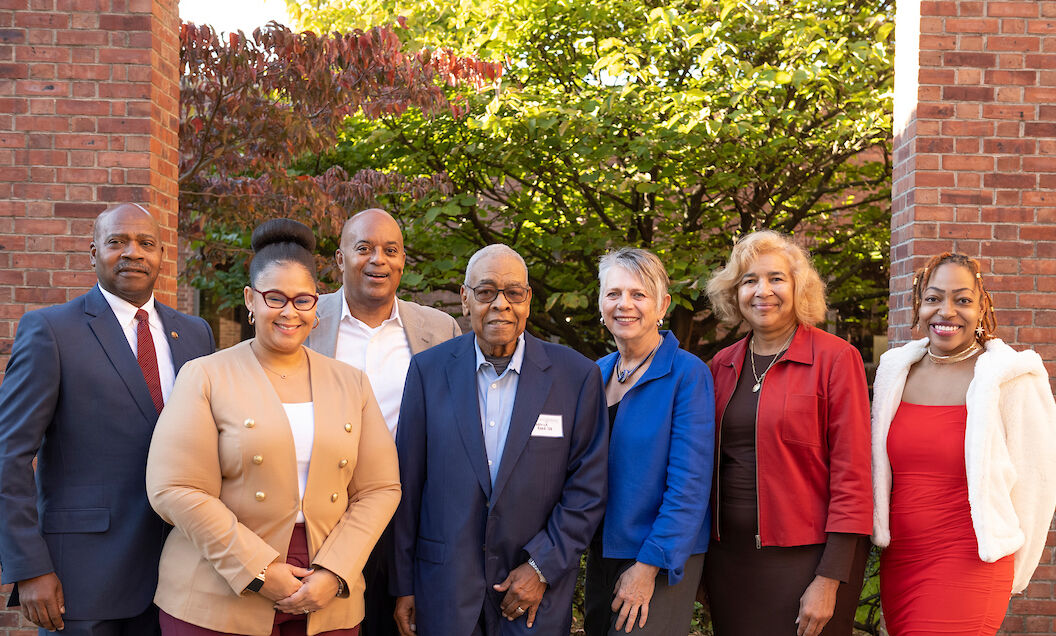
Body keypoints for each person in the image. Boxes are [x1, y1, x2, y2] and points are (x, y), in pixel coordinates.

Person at [145, 218, 400, 636]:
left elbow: (380, 487)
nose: (289, 312)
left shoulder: (350, 382)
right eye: (275, 297)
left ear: (317, 306)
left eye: (303, 300)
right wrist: (259, 568)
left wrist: (335, 572)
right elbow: (173, 487)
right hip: (219, 588)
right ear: (250, 299)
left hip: (327, 594)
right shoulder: (206, 375)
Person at [0, 203, 215, 635]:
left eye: (146, 243)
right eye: (117, 242)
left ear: (161, 256)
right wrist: (29, 566)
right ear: (93, 253)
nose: (133, 253)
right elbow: (9, 455)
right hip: (84, 578)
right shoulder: (51, 331)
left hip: (184, 574)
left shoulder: (195, 333)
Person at [390, 244, 608, 636]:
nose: (501, 304)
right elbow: (408, 484)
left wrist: (543, 566)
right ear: (464, 299)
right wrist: (403, 583)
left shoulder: (576, 376)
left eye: (514, 292)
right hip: (444, 591)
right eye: (486, 291)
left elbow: (588, 488)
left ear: (528, 300)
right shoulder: (428, 371)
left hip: (532, 595)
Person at [871, 252, 1056, 635]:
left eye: (963, 299)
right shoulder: (893, 372)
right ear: (919, 305)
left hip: (972, 562)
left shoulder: (1011, 377)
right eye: (934, 298)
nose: (947, 311)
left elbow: (1039, 483)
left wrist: (1012, 567)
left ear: (982, 306)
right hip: (902, 560)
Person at [702, 230, 872, 636]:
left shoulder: (835, 359)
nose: (763, 291)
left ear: (798, 287)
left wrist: (831, 577)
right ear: (735, 293)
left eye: (776, 278)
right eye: (749, 280)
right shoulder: (720, 366)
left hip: (807, 562)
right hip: (730, 564)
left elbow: (853, 476)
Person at [307, 208, 460, 636]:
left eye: (390, 250)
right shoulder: (307, 320)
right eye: (364, 249)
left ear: (403, 260)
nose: (379, 260)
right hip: (328, 509)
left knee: (404, 625)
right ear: (340, 260)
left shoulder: (439, 328)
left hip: (409, 512)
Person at [584, 248, 714, 636]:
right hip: (601, 551)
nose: (624, 304)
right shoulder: (595, 374)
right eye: (613, 293)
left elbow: (690, 486)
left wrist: (647, 566)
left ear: (662, 305)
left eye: (638, 294)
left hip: (658, 555)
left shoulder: (688, 375)